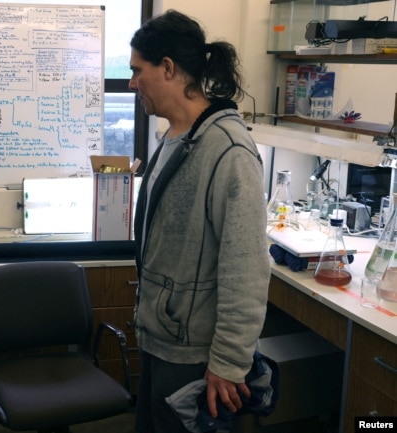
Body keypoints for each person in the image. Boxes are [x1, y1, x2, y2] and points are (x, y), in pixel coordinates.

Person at [129, 10, 271, 433]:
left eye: (138, 71)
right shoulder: (174, 137)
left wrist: (228, 363)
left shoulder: (228, 151)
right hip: (161, 337)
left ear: (168, 68)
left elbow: (246, 269)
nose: (132, 83)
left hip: (195, 354)